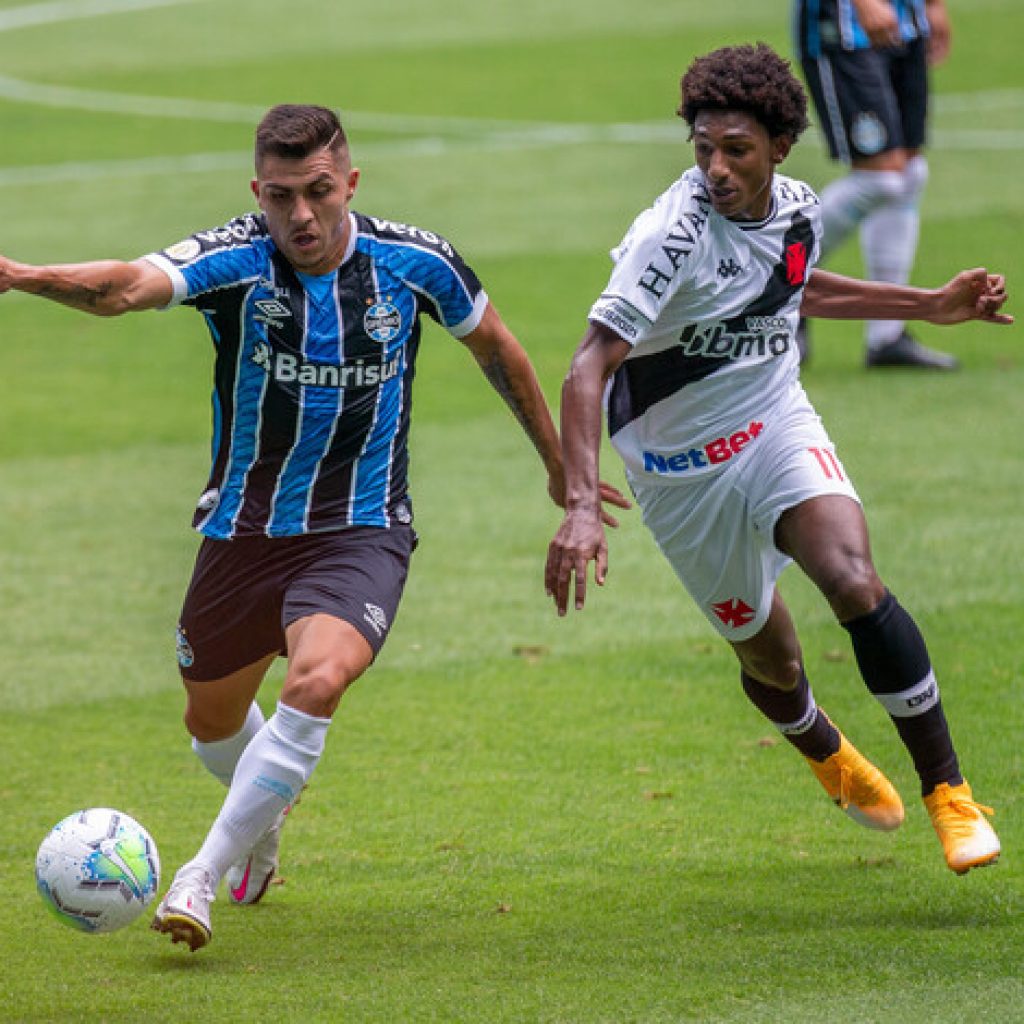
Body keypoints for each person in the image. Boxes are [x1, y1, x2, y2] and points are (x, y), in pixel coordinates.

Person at [0, 103, 628, 951]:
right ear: (258, 191)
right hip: (243, 528)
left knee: (316, 681)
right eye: (282, 196)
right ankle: (259, 827)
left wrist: (562, 469)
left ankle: (200, 875)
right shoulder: (236, 258)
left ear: (350, 185)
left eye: (320, 193)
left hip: (361, 528)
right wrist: (20, 274)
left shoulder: (415, 262)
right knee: (211, 720)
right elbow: (122, 288)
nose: (301, 216)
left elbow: (500, 349)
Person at [545, 44, 1010, 876]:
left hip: (772, 423)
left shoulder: (797, 207)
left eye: (736, 151)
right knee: (771, 659)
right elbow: (589, 362)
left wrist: (928, 307)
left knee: (854, 581)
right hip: (680, 471)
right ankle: (820, 744)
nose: (716, 169)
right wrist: (583, 503)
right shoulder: (670, 236)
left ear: (780, 149)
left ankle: (952, 795)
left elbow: (794, 284)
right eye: (703, 150)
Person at [794, 0, 957, 368]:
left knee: (909, 174)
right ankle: (779, 283)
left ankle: (887, 336)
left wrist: (934, 5)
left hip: (906, 20)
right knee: (881, 178)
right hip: (843, 27)